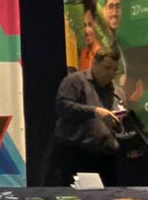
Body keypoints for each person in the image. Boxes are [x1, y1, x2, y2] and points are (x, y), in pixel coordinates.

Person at [48, 47, 126, 187]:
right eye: (107, 68)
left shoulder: (116, 91)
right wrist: (94, 111)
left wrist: (117, 123)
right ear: (94, 63)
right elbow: (62, 106)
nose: (111, 73)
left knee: (110, 197)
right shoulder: (75, 81)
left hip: (107, 155)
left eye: (115, 70)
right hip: (77, 153)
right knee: (79, 197)